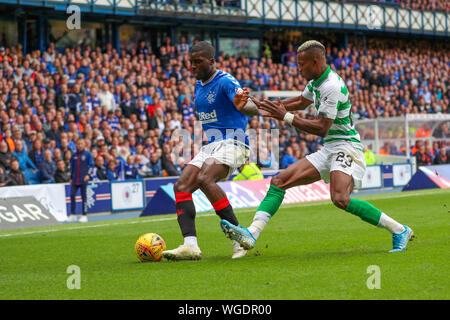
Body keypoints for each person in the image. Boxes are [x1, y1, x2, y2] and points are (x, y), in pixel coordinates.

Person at [221, 40, 414, 254]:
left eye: (301, 64)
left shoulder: (331, 86)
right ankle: (252, 234)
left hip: (347, 147)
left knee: (340, 198)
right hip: (331, 148)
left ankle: (399, 229)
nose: (298, 68)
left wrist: (284, 116)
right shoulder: (316, 82)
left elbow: (322, 127)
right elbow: (302, 102)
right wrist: (262, 105)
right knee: (279, 181)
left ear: (315, 61)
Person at [163, 41, 258, 261]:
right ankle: (190, 245)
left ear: (212, 61)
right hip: (212, 144)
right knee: (182, 186)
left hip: (235, 141)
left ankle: (240, 239)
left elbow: (252, 107)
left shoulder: (225, 81)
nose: (193, 66)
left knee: (206, 178)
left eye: (198, 62)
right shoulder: (198, 85)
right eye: (191, 62)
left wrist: (243, 104)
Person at [68, 138, 94, 223]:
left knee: (84, 197)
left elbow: (91, 166)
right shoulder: (74, 155)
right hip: (75, 179)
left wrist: (88, 175)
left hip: (83, 179)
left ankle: (84, 215)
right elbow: (72, 167)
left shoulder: (87, 154)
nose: (79, 145)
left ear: (84, 145)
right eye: (78, 144)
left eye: (81, 144)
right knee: (72, 195)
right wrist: (71, 178)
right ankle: (73, 214)